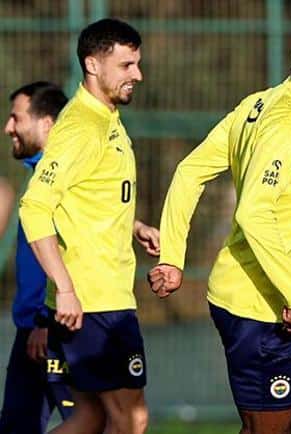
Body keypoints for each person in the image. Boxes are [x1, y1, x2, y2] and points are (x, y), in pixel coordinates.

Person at [148, 24, 291, 434]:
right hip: (259, 307)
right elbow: (253, 213)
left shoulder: (260, 104)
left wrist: (172, 259)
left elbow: (188, 171)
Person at [18, 19, 159, 434]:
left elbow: (85, 195)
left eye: (137, 64)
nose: (138, 75)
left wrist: (132, 225)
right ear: (93, 65)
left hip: (99, 297)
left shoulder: (105, 117)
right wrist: (65, 289)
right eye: (127, 65)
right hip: (95, 303)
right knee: (131, 418)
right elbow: (35, 207)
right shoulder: (81, 126)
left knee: (91, 417)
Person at [0, 82, 72, 434]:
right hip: (31, 328)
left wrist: (45, 320)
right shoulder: (38, 175)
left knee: (93, 421)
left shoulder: (60, 179)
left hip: (53, 328)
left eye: (16, 118)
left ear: (46, 123)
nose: (8, 127)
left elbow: (72, 248)